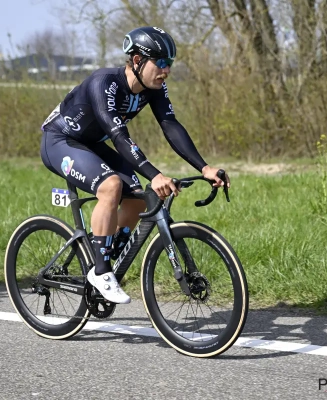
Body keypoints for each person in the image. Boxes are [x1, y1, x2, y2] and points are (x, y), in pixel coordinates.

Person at [40, 27, 229, 304]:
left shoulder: (154, 88)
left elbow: (170, 125)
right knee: (111, 186)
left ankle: (104, 250)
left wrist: (205, 168)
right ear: (138, 61)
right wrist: (155, 174)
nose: (166, 70)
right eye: (161, 63)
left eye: (170, 63)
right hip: (60, 141)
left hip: (91, 144)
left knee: (138, 199)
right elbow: (119, 137)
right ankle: (101, 272)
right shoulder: (104, 83)